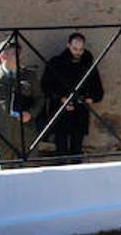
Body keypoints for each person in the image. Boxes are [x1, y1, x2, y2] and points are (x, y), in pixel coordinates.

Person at [41, 32, 104, 162]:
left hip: (80, 113)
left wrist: (88, 99)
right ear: (68, 46)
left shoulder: (88, 64)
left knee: (77, 149)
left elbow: (98, 90)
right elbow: (46, 86)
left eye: (81, 49)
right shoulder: (56, 63)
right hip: (60, 111)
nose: (78, 52)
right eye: (75, 49)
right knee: (61, 149)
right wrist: (61, 99)